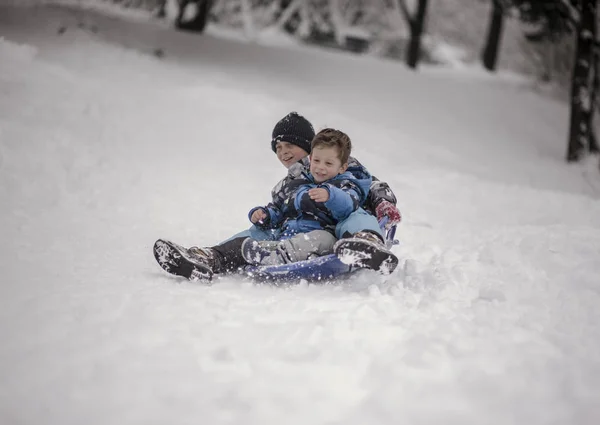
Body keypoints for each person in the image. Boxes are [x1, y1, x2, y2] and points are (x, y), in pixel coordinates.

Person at [186, 112, 401, 275]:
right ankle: (212, 256)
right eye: (278, 147)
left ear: (308, 145)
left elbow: (371, 185)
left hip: (334, 229)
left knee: (356, 216)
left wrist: (384, 203)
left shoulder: (342, 167)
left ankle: (367, 241)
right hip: (295, 230)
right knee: (255, 232)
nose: (283, 152)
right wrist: (265, 215)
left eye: (289, 144)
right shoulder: (287, 184)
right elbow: (278, 209)